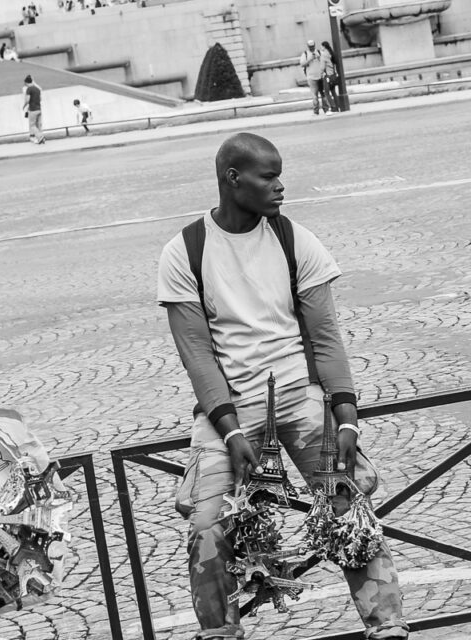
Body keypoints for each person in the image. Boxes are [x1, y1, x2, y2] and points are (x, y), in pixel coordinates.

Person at [156, 133, 409, 640]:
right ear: (232, 179)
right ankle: (221, 634)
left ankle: (388, 628)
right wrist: (230, 433)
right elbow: (197, 356)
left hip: (300, 397)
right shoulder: (184, 251)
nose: (280, 186)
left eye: (279, 175)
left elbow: (326, 339)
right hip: (226, 412)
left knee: (346, 509)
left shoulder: (297, 240)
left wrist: (348, 419)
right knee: (207, 527)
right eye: (267, 176)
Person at [299, 39, 334, 115]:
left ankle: (326, 110)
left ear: (314, 45)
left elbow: (326, 60)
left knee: (323, 94)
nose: (311, 48)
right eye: (310, 47)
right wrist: (310, 59)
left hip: (320, 76)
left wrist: (319, 57)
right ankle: (316, 111)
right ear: (308, 46)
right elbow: (302, 64)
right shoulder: (305, 54)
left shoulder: (319, 52)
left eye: (312, 46)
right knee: (314, 96)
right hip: (311, 78)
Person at [23, 75, 44, 144]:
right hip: (39, 109)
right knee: (38, 125)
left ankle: (40, 136)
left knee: (32, 125)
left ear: (26, 82)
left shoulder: (29, 89)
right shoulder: (37, 89)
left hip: (33, 109)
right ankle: (41, 138)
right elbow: (40, 99)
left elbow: (27, 100)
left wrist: (24, 106)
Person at [321, 40, 342, 111]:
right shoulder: (331, 53)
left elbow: (322, 67)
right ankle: (338, 106)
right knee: (333, 92)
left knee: (326, 93)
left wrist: (321, 73)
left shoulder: (324, 55)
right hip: (333, 75)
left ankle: (333, 107)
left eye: (322, 46)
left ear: (324, 46)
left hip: (327, 76)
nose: (321, 48)